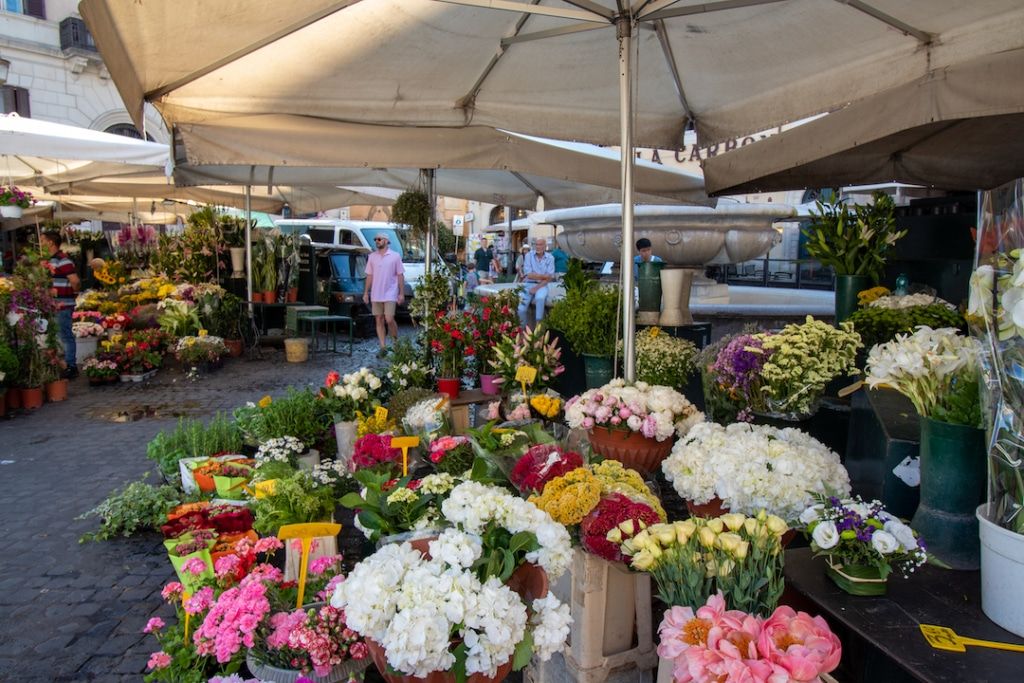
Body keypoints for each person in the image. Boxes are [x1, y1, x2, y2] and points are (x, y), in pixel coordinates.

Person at [39, 230, 80, 378]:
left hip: (62, 304)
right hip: (54, 304)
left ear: (50, 242)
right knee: (58, 336)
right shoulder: (50, 260)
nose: (40, 244)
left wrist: (70, 295)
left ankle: (71, 366)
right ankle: (62, 364)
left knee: (65, 335)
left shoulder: (63, 259)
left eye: (42, 241)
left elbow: (75, 281)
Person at [363, 232, 405, 357]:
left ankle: (396, 342)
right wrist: (366, 292)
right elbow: (369, 275)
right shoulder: (372, 257)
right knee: (379, 319)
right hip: (376, 293)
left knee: (389, 318)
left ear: (386, 241)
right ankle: (383, 347)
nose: (377, 241)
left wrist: (401, 293)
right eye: (375, 239)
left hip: (390, 293)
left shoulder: (395, 256)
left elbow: (400, 275)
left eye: (379, 239)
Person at [517, 237, 556, 325]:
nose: (538, 247)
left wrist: (537, 286)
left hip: (542, 285)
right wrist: (544, 276)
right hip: (528, 284)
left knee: (540, 298)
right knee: (521, 309)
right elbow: (529, 275)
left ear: (545, 246)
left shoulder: (550, 258)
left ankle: (538, 329)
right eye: (536, 245)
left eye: (540, 245)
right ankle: (522, 331)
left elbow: (549, 278)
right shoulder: (528, 255)